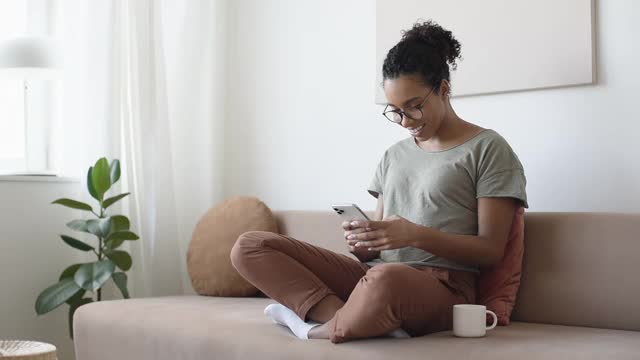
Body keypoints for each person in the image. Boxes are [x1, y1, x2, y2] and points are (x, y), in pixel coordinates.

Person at [230, 20, 528, 344]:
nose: (405, 121)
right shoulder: (393, 155)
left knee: (387, 279)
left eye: (414, 106)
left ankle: (312, 326)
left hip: (444, 287)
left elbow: (490, 250)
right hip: (374, 276)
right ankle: (359, 317)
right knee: (250, 246)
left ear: (443, 89)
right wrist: (364, 243)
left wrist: (413, 235)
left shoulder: (488, 148)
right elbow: (380, 240)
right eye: (396, 111)